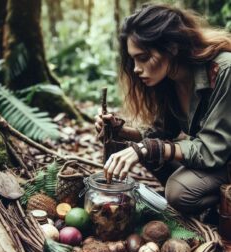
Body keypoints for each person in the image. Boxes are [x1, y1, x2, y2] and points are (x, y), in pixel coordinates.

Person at [95, 4, 231, 215]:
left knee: (178, 190)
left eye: (143, 57)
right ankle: (202, 202)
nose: (136, 69)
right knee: (146, 151)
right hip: (216, 162)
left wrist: (147, 148)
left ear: (172, 48)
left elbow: (210, 151)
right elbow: (157, 134)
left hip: (222, 160)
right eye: (132, 59)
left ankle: (215, 206)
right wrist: (118, 130)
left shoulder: (223, 71)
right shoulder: (171, 79)